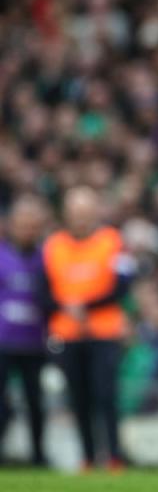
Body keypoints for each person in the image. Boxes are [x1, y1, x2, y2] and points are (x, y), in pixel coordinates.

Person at [44, 186, 135, 470]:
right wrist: (65, 307)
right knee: (79, 397)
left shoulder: (112, 241)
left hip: (104, 332)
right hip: (68, 334)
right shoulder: (54, 245)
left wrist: (86, 306)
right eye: (75, 212)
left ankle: (114, 456)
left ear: (96, 211)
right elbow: (43, 290)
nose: (81, 218)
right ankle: (87, 456)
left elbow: (123, 284)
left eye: (85, 212)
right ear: (66, 214)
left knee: (106, 395)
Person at [0, 195, 51, 466]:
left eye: (33, 225)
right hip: (4, 341)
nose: (28, 230)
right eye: (23, 224)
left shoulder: (47, 258)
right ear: (12, 225)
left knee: (36, 402)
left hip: (34, 342)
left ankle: (38, 455)